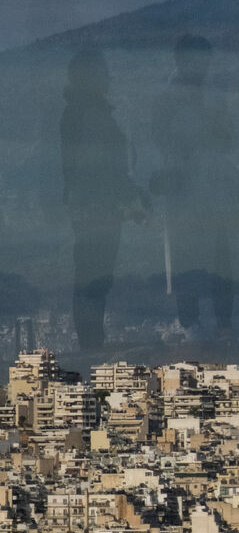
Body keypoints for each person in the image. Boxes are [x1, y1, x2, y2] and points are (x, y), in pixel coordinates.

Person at [150, 34, 239, 334]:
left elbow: (229, 140)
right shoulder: (166, 100)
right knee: (187, 259)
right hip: (185, 188)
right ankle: (191, 326)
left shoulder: (215, 96)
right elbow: (162, 139)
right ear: (181, 60)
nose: (200, 65)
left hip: (217, 188)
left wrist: (221, 124)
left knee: (222, 257)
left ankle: (225, 325)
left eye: (204, 60)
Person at [60, 49, 141, 350]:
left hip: (92, 204)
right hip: (97, 205)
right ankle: (91, 342)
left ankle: (92, 340)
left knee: (94, 273)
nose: (109, 79)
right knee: (94, 273)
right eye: (103, 73)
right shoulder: (89, 114)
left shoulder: (83, 112)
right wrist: (127, 192)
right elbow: (101, 166)